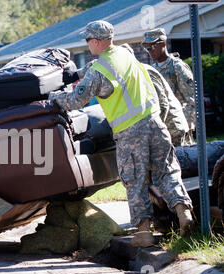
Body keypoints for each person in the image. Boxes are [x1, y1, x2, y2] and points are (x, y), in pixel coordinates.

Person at [49, 20, 194, 248]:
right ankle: (184, 212)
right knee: (166, 170)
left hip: (131, 131)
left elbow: (76, 100)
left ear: (96, 41)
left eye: (88, 41)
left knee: (134, 180)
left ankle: (144, 233)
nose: (87, 45)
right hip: (155, 122)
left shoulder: (99, 72)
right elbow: (101, 67)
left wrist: (53, 100)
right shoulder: (126, 53)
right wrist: (76, 73)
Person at [120, 43, 189, 147]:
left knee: (179, 161)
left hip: (172, 128)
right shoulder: (131, 74)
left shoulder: (144, 71)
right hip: (164, 129)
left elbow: (162, 103)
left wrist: (155, 131)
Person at [141, 28, 196, 145]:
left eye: (152, 47)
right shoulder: (152, 70)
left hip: (179, 128)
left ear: (163, 44)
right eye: (147, 48)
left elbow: (192, 99)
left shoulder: (177, 67)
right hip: (162, 129)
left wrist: (185, 126)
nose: (149, 51)